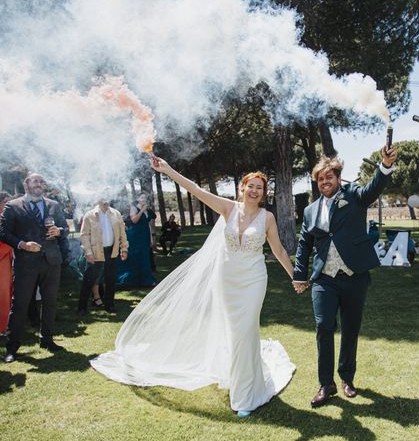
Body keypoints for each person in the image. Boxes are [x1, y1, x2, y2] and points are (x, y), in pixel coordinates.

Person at [91, 157, 296, 418]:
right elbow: (196, 191)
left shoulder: (267, 218)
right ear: (242, 189)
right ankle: (244, 378)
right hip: (228, 279)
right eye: (250, 186)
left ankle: (245, 396)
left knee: (246, 330)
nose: (254, 191)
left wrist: (293, 276)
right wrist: (167, 170)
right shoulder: (228, 208)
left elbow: (277, 249)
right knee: (236, 334)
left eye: (259, 188)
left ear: (263, 194)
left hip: (254, 279)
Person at [293, 145, 397, 409]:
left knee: (351, 329)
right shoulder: (309, 210)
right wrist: (299, 275)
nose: (325, 182)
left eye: (329, 177)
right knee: (323, 326)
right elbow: (305, 244)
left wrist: (384, 165)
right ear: (316, 183)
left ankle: (347, 379)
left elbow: (374, 187)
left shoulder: (353, 195)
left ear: (338, 178)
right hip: (323, 279)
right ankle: (325, 384)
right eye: (320, 179)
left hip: (354, 276)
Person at [0, 174, 68, 362]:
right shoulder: (13, 206)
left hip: (51, 261)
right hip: (26, 263)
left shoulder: (53, 205)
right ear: (26, 185)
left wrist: (59, 231)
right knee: (20, 304)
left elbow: (65, 228)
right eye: (35, 181)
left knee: (50, 302)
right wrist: (22, 244)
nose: (39, 184)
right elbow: (3, 233)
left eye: (41, 182)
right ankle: (12, 348)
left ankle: (47, 339)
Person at [78, 197, 129, 315]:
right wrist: (88, 252)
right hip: (96, 252)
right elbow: (84, 235)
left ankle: (109, 305)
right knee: (89, 280)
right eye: (102, 198)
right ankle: (82, 308)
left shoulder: (116, 214)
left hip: (112, 251)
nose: (105, 201)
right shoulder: (89, 215)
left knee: (110, 280)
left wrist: (124, 249)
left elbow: (122, 233)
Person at [117, 194, 155, 287]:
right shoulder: (134, 208)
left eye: (145, 198)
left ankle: (146, 280)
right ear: (138, 199)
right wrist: (141, 210)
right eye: (142, 197)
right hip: (135, 235)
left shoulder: (147, 211)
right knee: (135, 257)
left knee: (145, 257)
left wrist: (151, 238)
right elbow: (134, 220)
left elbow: (148, 225)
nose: (144, 199)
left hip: (145, 235)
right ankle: (133, 280)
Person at [0, 192, 13, 334]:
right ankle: (2, 327)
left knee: (8, 293)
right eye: (6, 202)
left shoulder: (5, 218)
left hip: (8, 259)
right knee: (2, 294)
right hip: (2, 259)